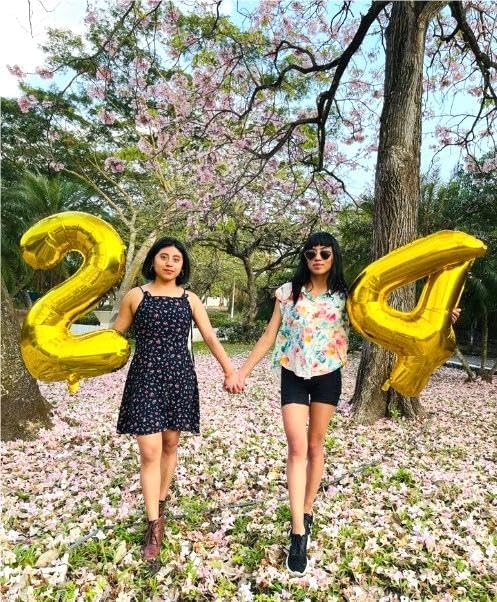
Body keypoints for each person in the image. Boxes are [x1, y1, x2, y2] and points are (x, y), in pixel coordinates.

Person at [225, 231, 461, 576]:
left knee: (315, 445)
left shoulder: (346, 296)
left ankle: (307, 509)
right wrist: (241, 371)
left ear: (334, 256)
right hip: (293, 373)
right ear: (304, 258)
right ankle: (297, 531)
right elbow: (268, 336)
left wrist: (440, 318)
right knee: (296, 447)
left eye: (324, 253)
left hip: (328, 376)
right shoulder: (287, 293)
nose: (317, 258)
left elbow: (388, 322)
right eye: (311, 253)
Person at [113, 236, 240, 561]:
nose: (170, 263)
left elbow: (209, 336)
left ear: (182, 266)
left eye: (176, 259)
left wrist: (230, 370)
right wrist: (81, 359)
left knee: (170, 445)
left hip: (179, 379)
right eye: (164, 257)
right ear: (153, 261)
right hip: (144, 379)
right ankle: (153, 525)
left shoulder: (190, 299)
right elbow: (115, 336)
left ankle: (161, 502)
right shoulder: (135, 296)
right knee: (149, 451)